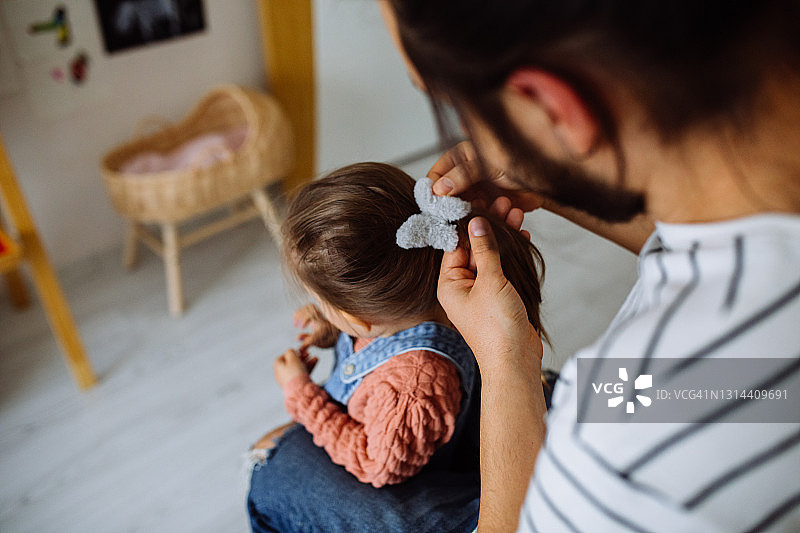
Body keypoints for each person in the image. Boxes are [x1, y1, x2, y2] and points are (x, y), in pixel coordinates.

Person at [378, 1, 800, 532]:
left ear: (552, 105)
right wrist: (552, 178)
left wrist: (509, 366)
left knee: (290, 475)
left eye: (454, 105)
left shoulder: (622, 454)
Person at [246, 162, 548, 532]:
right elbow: (373, 327)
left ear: (359, 317)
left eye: (324, 303)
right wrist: (332, 327)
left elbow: (376, 462)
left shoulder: (412, 388)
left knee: (270, 473)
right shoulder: (434, 299)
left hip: (418, 472)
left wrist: (304, 396)